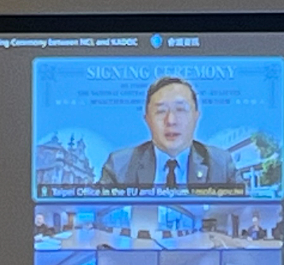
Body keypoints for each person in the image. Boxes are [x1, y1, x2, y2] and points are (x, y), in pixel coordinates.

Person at [98, 76, 238, 189]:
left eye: (180, 110)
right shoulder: (119, 165)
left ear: (196, 116)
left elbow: (244, 208)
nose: (171, 121)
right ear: (147, 119)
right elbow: (96, 211)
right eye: (161, 111)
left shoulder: (220, 164)